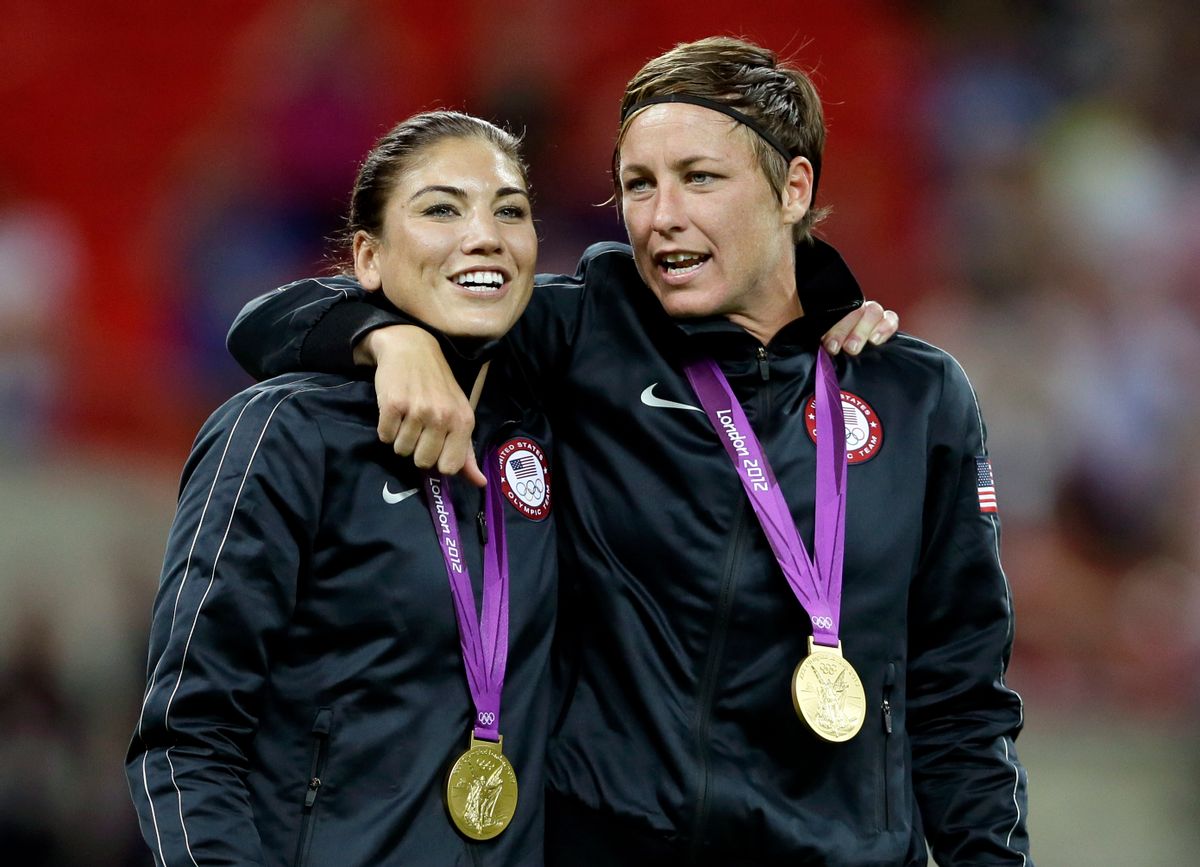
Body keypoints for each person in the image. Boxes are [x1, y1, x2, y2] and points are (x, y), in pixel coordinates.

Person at [227, 37, 1030, 866]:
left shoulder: (916, 395)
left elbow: (963, 701)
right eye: (638, 185)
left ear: (794, 188)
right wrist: (389, 339)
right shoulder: (585, 336)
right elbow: (267, 321)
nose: (660, 216)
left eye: (699, 178)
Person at [127, 112, 562, 866]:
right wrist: (387, 336)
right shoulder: (280, 432)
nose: (484, 233)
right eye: (440, 208)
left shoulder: (553, 432)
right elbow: (186, 741)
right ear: (366, 256)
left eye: (510, 209)